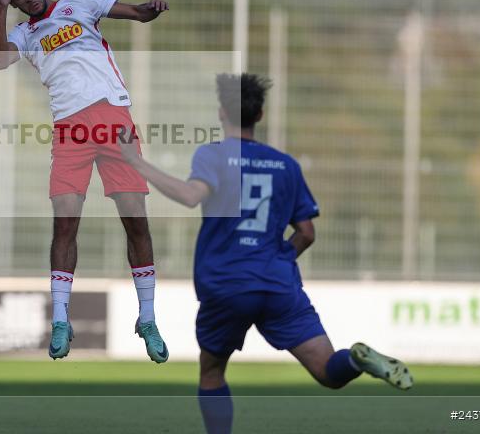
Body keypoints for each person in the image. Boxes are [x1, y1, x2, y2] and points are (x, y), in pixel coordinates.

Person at [118, 73, 413, 434]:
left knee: (211, 372)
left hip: (226, 284)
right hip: (277, 283)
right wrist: (278, 261)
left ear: (221, 113)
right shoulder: (287, 165)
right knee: (329, 372)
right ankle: (356, 359)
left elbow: (190, 195)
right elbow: (307, 233)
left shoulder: (214, 155)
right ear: (259, 115)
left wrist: (135, 162)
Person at [0, 0, 169, 362]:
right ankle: (59, 319)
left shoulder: (80, 2)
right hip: (70, 129)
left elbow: (138, 14)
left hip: (113, 118)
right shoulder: (23, 32)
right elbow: (0, 60)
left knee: (136, 222)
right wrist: (0, 7)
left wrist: (151, 7)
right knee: (65, 225)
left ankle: (147, 317)